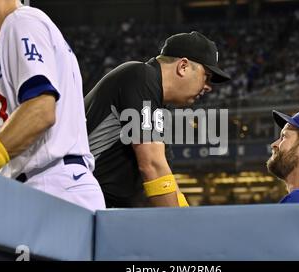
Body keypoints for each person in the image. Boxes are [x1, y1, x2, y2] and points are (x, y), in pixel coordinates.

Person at [0, 0, 105, 211]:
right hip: (50, 185)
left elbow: (41, 110)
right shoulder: (20, 27)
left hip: (51, 184)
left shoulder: (21, 22)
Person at [85, 31, 231, 208]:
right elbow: (152, 165)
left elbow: (164, 176)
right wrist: (178, 226)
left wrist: (186, 215)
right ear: (183, 66)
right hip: (77, 202)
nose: (208, 87)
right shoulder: (140, 75)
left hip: (103, 208)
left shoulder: (160, 107)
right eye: (207, 76)